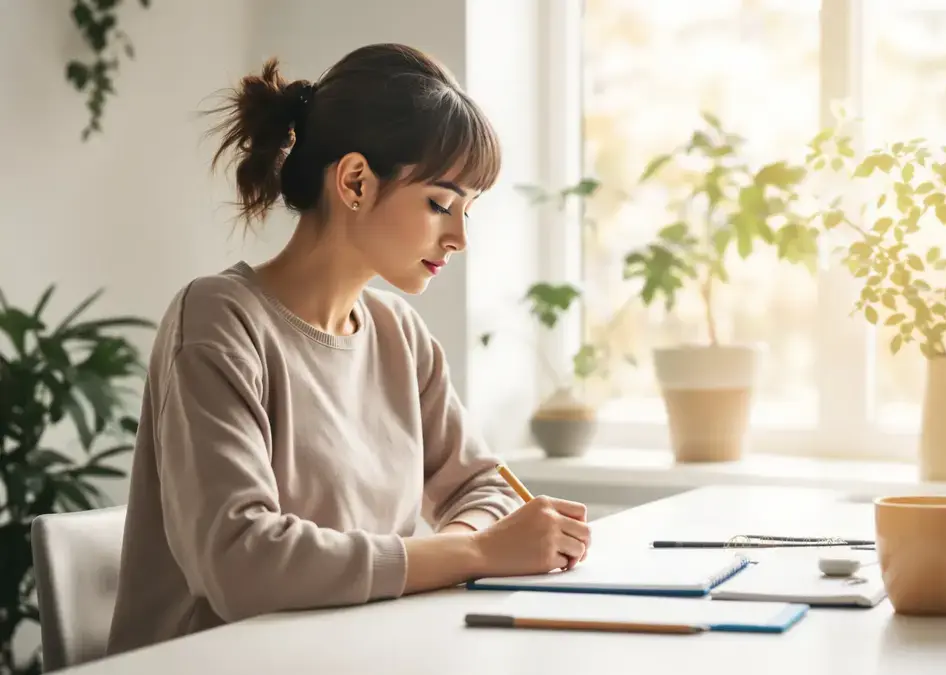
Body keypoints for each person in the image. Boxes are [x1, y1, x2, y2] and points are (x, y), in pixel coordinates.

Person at [106, 43, 591, 656]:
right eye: (441, 203)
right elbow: (241, 562)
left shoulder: (399, 334)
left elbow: (484, 488)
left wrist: (471, 544)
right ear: (356, 181)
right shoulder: (218, 320)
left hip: (358, 652)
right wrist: (474, 552)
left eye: (470, 210)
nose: (461, 236)